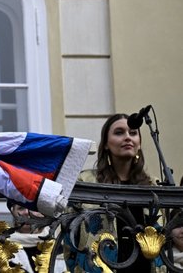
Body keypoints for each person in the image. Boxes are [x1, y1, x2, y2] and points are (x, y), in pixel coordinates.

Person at [67, 113, 159, 273]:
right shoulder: (86, 181)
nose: (127, 137)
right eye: (119, 132)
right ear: (106, 145)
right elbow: (70, 239)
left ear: (139, 143)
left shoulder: (154, 184)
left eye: (133, 133)